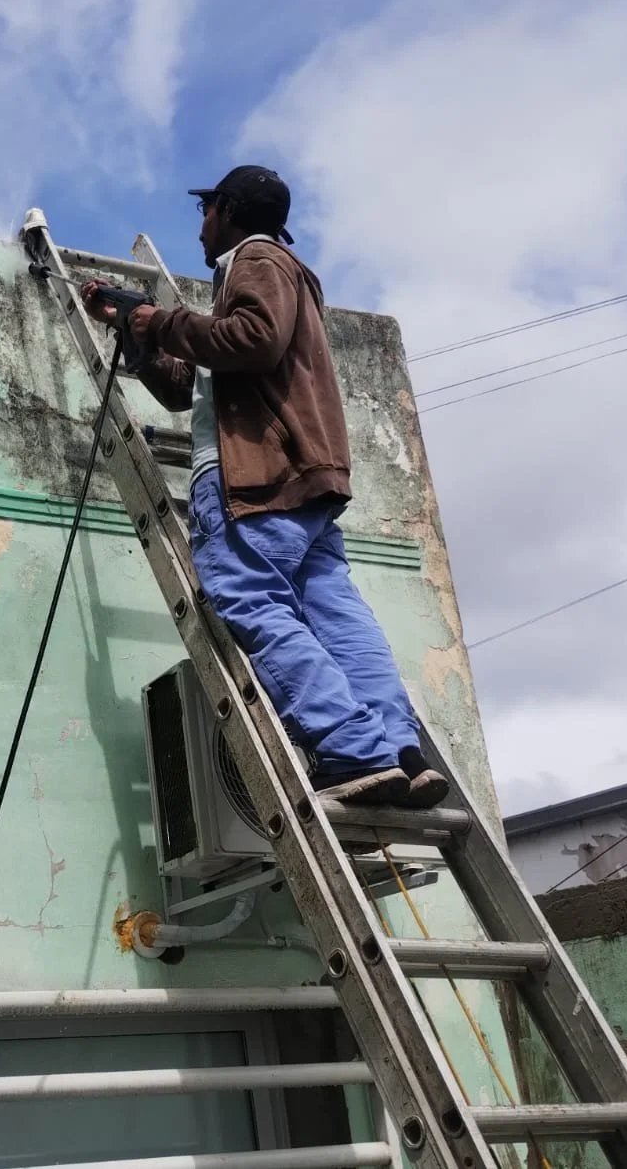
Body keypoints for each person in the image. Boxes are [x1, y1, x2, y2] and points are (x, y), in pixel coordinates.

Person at [81, 166, 446, 809]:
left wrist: (158, 320)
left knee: (249, 597)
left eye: (205, 211)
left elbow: (252, 340)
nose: (200, 227)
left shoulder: (255, 258)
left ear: (227, 210)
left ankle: (351, 747)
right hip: (300, 481)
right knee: (334, 615)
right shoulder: (276, 276)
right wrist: (135, 329)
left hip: (253, 476)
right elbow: (192, 384)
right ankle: (398, 753)